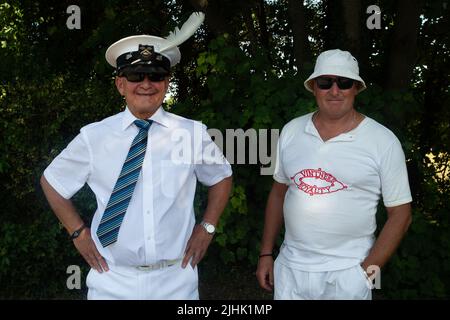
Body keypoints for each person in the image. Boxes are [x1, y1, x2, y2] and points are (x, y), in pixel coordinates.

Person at [40, 12, 233, 300]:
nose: (146, 83)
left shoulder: (192, 133)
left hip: (176, 279)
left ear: (166, 84)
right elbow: (52, 182)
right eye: (135, 75)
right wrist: (78, 233)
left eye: (156, 75)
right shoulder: (94, 136)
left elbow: (221, 177)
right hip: (112, 279)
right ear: (120, 84)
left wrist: (207, 227)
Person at [256, 49, 412, 300]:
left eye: (344, 82)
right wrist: (266, 253)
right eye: (325, 82)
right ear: (314, 87)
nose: (335, 90)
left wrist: (366, 275)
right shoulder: (291, 131)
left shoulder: (383, 141)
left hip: (348, 274)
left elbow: (401, 214)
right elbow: (277, 194)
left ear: (356, 88)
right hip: (291, 270)